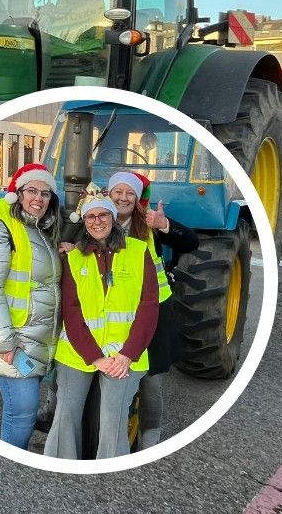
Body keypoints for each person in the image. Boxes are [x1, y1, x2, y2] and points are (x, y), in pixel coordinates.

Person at [46, 193, 159, 459]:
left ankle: (108, 470)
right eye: (91, 217)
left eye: (103, 215)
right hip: (79, 352)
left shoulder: (138, 251)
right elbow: (71, 313)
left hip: (125, 356)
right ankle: (60, 464)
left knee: (113, 419)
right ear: (84, 222)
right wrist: (95, 358)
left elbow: (149, 305)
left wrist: (127, 355)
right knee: (66, 414)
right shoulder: (73, 258)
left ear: (113, 218)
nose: (97, 221)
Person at [0, 163, 63, 450]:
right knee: (22, 410)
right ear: (17, 194)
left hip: (34, 336)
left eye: (45, 193)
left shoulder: (42, 232)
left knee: (25, 406)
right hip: (12, 338)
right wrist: (4, 343)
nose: (38, 198)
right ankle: (12, 462)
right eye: (32, 191)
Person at [105, 171, 198, 448]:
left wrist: (164, 223)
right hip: (112, 311)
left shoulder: (148, 224)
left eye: (129, 193)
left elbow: (190, 242)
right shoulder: (96, 219)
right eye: (118, 192)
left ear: (137, 198)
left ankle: (150, 436)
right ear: (109, 194)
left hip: (154, 310)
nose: (123, 198)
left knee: (152, 381)